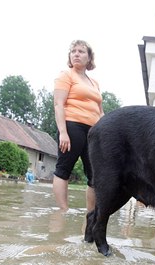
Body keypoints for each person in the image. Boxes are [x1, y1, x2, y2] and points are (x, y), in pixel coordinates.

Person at [53, 40, 104, 212]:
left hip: (94, 131)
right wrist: (63, 132)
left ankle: (91, 215)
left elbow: (100, 111)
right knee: (63, 169)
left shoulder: (94, 83)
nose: (76, 54)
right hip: (72, 127)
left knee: (95, 175)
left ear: (89, 57)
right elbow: (59, 104)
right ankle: (63, 211)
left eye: (81, 51)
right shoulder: (65, 75)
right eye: (73, 51)